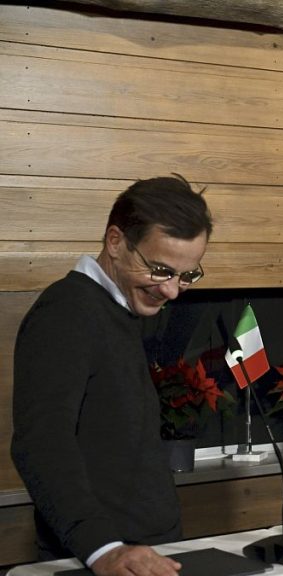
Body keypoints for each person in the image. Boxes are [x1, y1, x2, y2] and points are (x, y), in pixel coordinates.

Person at [11, 175, 212, 576]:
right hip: (104, 561)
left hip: (146, 553)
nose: (172, 291)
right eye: (160, 269)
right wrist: (103, 549)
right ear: (116, 241)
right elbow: (41, 444)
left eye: (186, 275)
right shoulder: (67, 313)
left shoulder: (118, 310)